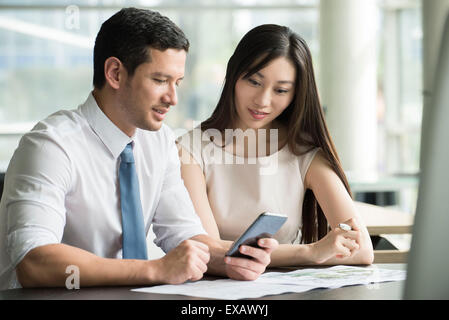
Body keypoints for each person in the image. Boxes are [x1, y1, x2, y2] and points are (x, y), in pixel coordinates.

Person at [0, 8, 278, 290]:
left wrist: (232, 259)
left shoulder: (159, 142)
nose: (173, 98)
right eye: (160, 81)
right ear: (115, 73)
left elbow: (184, 234)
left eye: (177, 83)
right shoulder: (51, 146)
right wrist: (155, 269)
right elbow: (33, 262)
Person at [177, 24, 374, 266]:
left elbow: (363, 249)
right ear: (234, 74)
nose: (263, 100)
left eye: (281, 90)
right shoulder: (190, 150)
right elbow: (207, 250)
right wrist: (310, 252)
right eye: (254, 81)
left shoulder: (304, 153)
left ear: (295, 95)